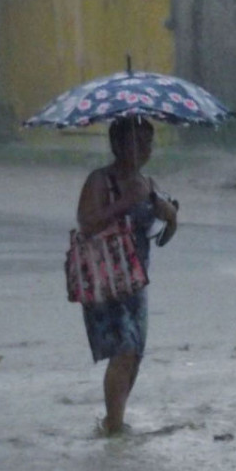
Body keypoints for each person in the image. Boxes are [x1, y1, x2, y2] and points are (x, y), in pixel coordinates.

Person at [76, 116, 178, 436]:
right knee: (124, 350)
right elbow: (87, 224)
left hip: (137, 281)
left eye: (148, 142)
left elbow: (161, 232)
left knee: (135, 354)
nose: (144, 149)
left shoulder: (148, 183)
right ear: (117, 145)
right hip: (106, 278)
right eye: (137, 142)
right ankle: (115, 427)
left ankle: (113, 420)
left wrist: (171, 217)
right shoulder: (100, 180)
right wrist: (124, 202)